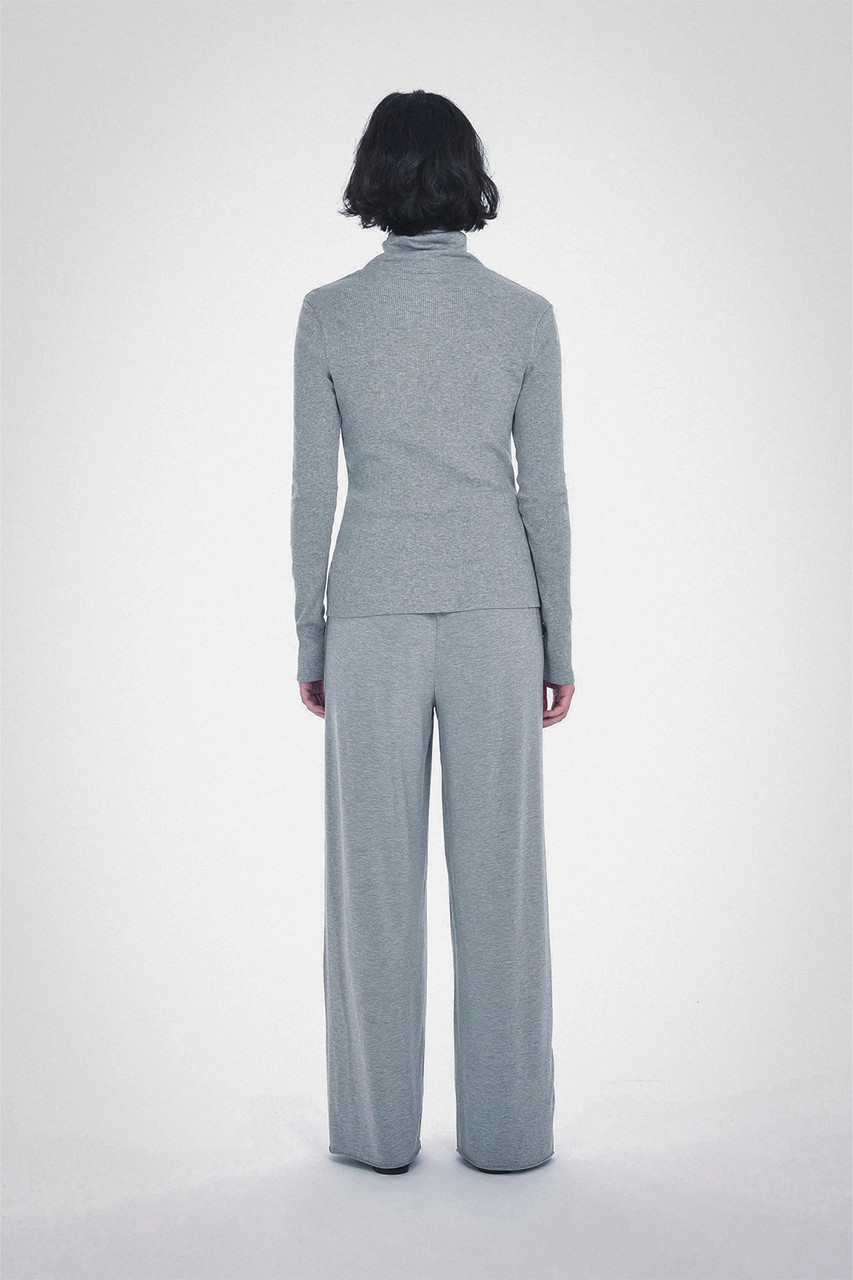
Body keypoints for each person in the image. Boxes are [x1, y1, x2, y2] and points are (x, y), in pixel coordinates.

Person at [290, 89, 576, 1176]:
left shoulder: (329, 314)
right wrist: (558, 643)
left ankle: (375, 1138)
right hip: (500, 614)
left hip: (370, 615)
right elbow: (544, 494)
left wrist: (310, 636)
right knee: (504, 886)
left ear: (372, 178)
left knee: (371, 887)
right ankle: (508, 1137)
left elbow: (310, 489)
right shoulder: (523, 314)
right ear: (467, 177)